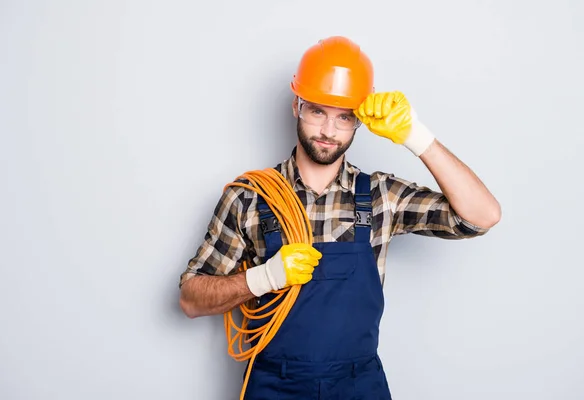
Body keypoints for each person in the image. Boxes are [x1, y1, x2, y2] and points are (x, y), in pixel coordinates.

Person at [178, 36, 501, 399]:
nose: (329, 132)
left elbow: (483, 215)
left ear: (359, 121)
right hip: (274, 385)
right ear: (296, 105)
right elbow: (191, 299)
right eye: (317, 111)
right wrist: (263, 277)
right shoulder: (251, 197)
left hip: (358, 385)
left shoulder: (381, 197)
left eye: (344, 118)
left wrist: (416, 136)